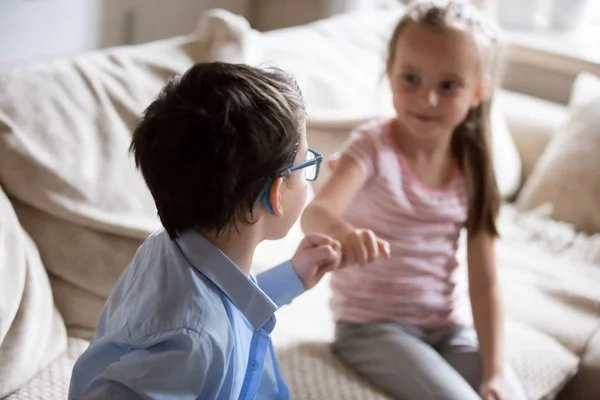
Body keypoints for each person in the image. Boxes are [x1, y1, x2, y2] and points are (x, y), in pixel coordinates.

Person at [68, 62, 342, 400]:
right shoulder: (191, 340)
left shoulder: (174, 249)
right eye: (305, 164)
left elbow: (229, 305)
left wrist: (292, 277)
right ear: (276, 195)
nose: (309, 177)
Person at [301, 1, 527, 399]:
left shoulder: (473, 165)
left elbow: (485, 281)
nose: (428, 99)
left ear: (477, 92)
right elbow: (315, 213)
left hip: (446, 329)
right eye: (411, 78)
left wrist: (493, 373)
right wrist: (344, 233)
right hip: (370, 328)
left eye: (448, 85)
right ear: (389, 75)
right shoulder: (371, 147)